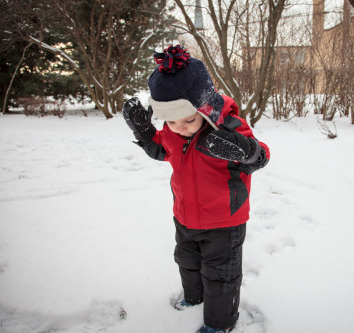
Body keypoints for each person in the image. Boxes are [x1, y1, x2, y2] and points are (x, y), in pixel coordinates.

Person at [122, 45, 270, 333]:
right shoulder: (173, 131)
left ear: (205, 107)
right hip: (185, 216)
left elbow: (261, 155)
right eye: (171, 121)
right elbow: (162, 150)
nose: (180, 128)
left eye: (189, 120)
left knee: (221, 276)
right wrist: (143, 131)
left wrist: (239, 149)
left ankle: (220, 323)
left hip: (223, 222)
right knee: (187, 262)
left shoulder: (228, 126)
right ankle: (194, 297)